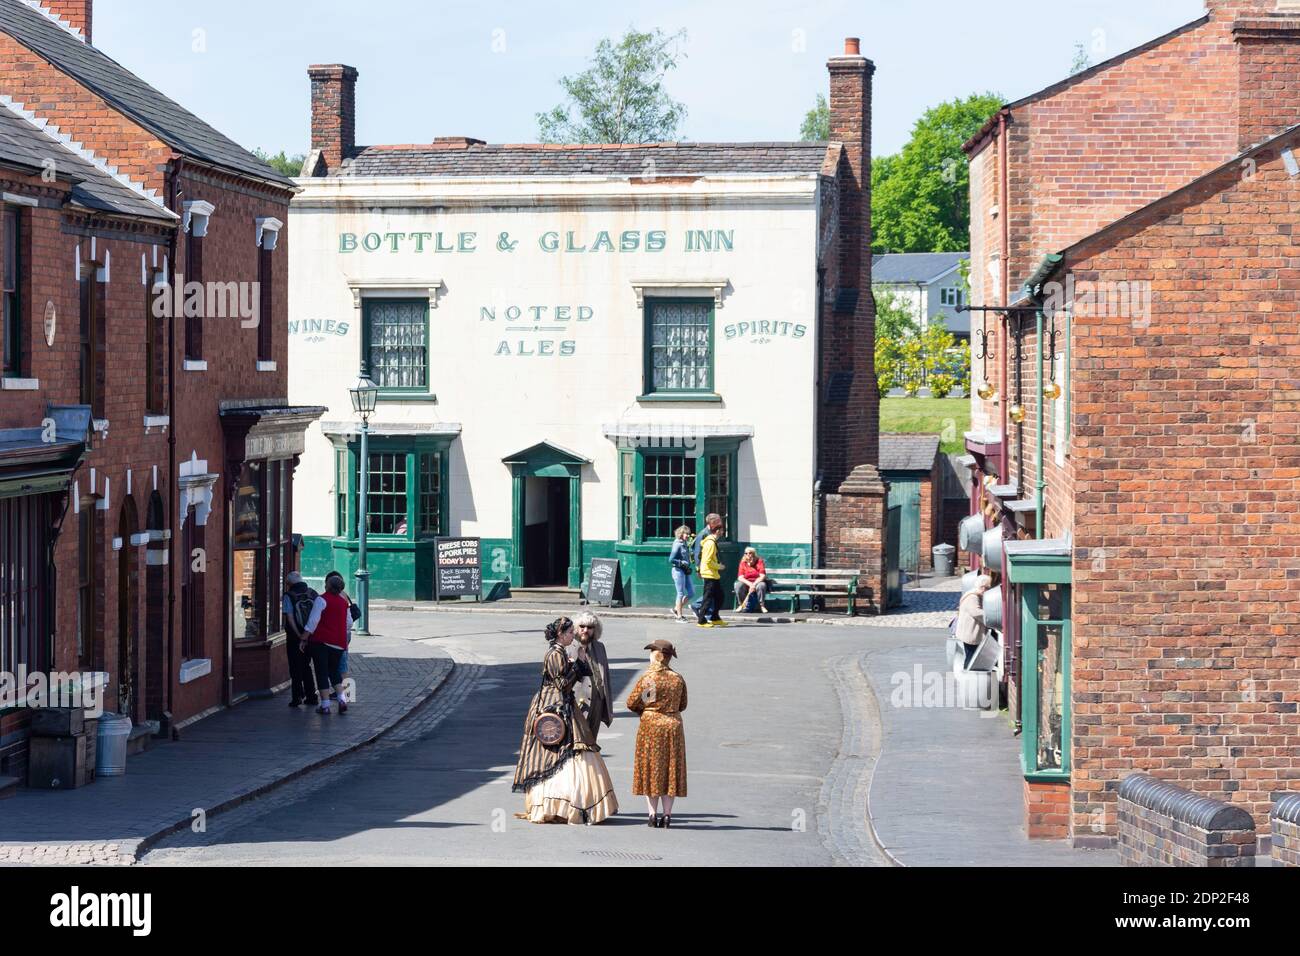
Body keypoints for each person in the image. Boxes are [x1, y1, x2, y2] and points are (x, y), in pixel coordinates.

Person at [512, 616, 619, 825]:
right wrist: (578, 664)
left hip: (565, 705)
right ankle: (557, 805)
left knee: (572, 752)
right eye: (571, 632)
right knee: (558, 753)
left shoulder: (563, 651)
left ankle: (572, 802)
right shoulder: (555, 654)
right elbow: (562, 685)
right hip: (554, 706)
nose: (575, 635)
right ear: (561, 634)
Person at [626, 639, 688, 828]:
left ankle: (652, 814)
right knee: (670, 768)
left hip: (651, 726)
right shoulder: (677, 679)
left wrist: (646, 710)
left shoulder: (649, 679)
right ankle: (667, 815)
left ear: (655, 656)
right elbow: (682, 705)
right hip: (672, 725)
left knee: (651, 767)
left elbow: (632, 702)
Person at [302, 570, 352, 715]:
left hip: (321, 643)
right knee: (334, 671)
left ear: (327, 586)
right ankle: (342, 699)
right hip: (339, 643)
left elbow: (313, 622)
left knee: (322, 672)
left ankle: (325, 705)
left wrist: (304, 638)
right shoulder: (343, 602)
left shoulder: (322, 600)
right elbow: (348, 623)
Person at [572, 611, 612, 741]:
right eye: (582, 626)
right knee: (577, 742)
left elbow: (606, 677)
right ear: (576, 628)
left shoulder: (600, 647)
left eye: (589, 627)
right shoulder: (569, 648)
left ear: (595, 630)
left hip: (597, 702)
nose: (585, 630)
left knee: (591, 742)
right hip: (578, 702)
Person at [281, 571, 319, 707]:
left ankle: (297, 697)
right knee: (306, 666)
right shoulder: (313, 593)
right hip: (311, 635)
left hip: (294, 637)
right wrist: (307, 635)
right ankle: (311, 696)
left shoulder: (288, 596)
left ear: (289, 583)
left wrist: (298, 635)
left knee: (295, 667)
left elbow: (290, 617)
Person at [695, 513, 727, 628]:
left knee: (719, 596)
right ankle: (701, 620)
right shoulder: (709, 542)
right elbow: (706, 560)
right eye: (722, 530)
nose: (723, 532)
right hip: (709, 574)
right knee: (707, 598)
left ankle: (715, 617)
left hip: (713, 574)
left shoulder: (712, 541)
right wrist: (719, 566)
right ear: (717, 531)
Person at [956, 575, 993, 668]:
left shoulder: (973, 594)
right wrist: (991, 616)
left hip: (970, 631)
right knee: (971, 657)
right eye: (988, 588)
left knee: (971, 656)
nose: (988, 591)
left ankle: (968, 675)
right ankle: (967, 677)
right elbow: (976, 612)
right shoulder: (973, 597)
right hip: (970, 632)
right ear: (983, 587)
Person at [668, 525, 696, 622]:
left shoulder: (685, 543)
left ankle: (676, 609)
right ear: (681, 534)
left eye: (688, 534)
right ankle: (679, 616)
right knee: (680, 593)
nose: (688, 535)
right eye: (686, 534)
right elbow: (671, 559)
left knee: (691, 592)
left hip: (685, 570)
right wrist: (681, 563)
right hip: (678, 570)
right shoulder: (677, 544)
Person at [733, 547, 769, 613]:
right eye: (746, 553)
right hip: (747, 582)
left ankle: (762, 606)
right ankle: (741, 605)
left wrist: (754, 584)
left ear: (754, 554)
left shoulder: (759, 561)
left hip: (757, 581)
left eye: (750, 553)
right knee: (738, 585)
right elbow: (740, 577)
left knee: (762, 585)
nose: (748, 555)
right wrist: (750, 584)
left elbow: (762, 576)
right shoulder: (743, 563)